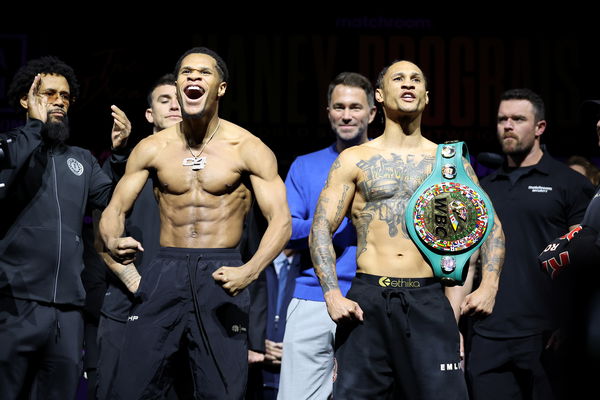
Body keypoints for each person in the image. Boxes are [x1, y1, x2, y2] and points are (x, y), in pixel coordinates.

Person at [99, 47, 291, 399]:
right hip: (165, 269)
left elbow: (281, 221)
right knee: (131, 387)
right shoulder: (152, 148)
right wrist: (113, 239)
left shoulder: (247, 147)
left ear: (221, 88)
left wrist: (249, 271)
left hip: (222, 273)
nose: (193, 78)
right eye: (186, 73)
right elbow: (114, 209)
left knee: (221, 391)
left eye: (203, 73)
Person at [309, 60, 504, 399]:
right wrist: (331, 294)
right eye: (398, 78)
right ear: (380, 96)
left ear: (426, 97)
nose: (408, 83)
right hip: (367, 300)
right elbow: (321, 229)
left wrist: (490, 285)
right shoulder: (355, 159)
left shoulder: (449, 163)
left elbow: (492, 229)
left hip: (428, 299)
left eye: (416, 79)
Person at [466, 88, 595, 400]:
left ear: (540, 128)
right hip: (487, 333)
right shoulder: (484, 189)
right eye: (502, 119)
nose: (508, 125)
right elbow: (467, 259)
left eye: (518, 119)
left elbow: (585, 260)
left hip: (546, 335)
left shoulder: (570, 184)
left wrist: (570, 322)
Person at [0, 56, 113, 399]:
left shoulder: (81, 159)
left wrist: (121, 157)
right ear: (26, 99)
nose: (60, 102)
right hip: (14, 306)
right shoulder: (8, 147)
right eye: (49, 94)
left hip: (67, 313)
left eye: (65, 96)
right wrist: (34, 127)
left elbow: (113, 201)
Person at [277, 71, 376, 399]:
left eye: (355, 107)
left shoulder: (390, 165)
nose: (346, 115)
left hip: (374, 297)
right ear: (328, 112)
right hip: (312, 297)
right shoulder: (305, 166)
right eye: (339, 107)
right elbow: (286, 230)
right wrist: (332, 220)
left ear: (373, 113)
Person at [94, 73, 184, 399]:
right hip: (127, 303)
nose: (175, 106)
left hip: (181, 309)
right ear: (150, 115)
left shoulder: (208, 170)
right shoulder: (126, 167)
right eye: (164, 100)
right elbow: (98, 232)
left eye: (180, 99)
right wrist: (135, 282)